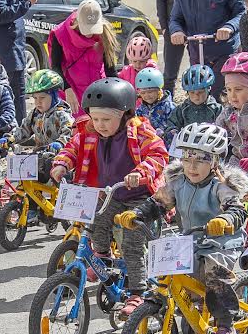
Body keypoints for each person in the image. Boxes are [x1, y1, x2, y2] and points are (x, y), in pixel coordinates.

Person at [125, 122, 248, 334]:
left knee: (214, 275)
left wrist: (225, 220)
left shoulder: (221, 186)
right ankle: (189, 310)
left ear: (214, 161)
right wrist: (137, 214)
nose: (192, 166)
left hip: (221, 242)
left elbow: (237, 209)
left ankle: (226, 328)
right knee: (170, 272)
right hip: (190, 239)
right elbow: (158, 203)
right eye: (187, 159)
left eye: (200, 160)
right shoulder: (178, 182)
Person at [49, 77, 171, 311]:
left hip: (140, 198)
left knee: (132, 244)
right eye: (95, 118)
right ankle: (102, 258)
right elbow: (72, 147)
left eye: (106, 119)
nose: (100, 124)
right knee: (95, 222)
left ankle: (138, 292)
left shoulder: (138, 130)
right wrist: (62, 163)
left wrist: (141, 171)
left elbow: (158, 154)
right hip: (112, 194)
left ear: (124, 114)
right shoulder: (91, 131)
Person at [49, 0, 121, 113]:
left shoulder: (105, 34)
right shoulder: (60, 34)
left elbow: (110, 70)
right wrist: (66, 88)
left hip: (98, 93)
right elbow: (55, 66)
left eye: (93, 27)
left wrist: (119, 95)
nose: (90, 33)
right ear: (77, 21)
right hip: (71, 94)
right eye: (86, 28)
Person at [171, 65, 222, 131]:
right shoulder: (182, 109)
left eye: (200, 92)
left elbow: (224, 128)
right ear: (187, 92)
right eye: (192, 93)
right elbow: (171, 123)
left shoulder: (216, 109)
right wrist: (172, 132)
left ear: (208, 89)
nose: (196, 96)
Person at [134, 68, 177, 143]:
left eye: (150, 92)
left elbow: (175, 125)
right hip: (148, 143)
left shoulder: (169, 107)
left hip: (166, 143)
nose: (147, 95)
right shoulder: (141, 109)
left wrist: (165, 133)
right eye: (143, 93)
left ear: (159, 90)